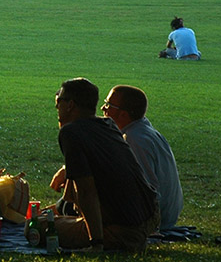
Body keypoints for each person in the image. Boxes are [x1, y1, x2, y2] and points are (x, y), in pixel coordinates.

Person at [49, 78, 159, 252]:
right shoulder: (108, 125)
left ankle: (108, 238)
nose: (57, 107)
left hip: (122, 229)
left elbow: (86, 191)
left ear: (70, 105)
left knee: (37, 227)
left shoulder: (71, 132)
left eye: (59, 101)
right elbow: (74, 189)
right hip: (149, 217)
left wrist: (96, 243)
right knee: (55, 218)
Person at [102, 86, 182, 232]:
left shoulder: (135, 140)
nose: (103, 108)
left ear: (124, 115)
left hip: (155, 221)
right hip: (166, 217)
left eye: (108, 105)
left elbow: (147, 190)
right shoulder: (144, 131)